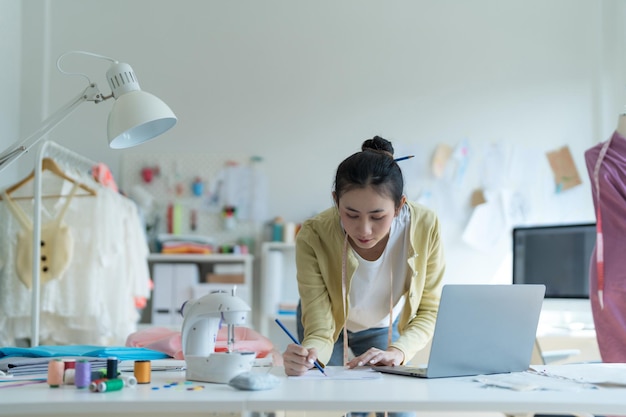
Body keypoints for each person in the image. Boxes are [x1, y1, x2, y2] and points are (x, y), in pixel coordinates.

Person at [282, 136, 445, 416]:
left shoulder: (425, 225)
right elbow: (320, 330)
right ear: (336, 201)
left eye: (378, 216)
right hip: (329, 326)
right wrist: (307, 356)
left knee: (398, 406)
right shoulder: (313, 234)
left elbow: (429, 310)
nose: (364, 230)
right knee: (342, 404)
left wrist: (399, 352)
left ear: (399, 205)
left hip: (381, 324)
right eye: (351, 214)